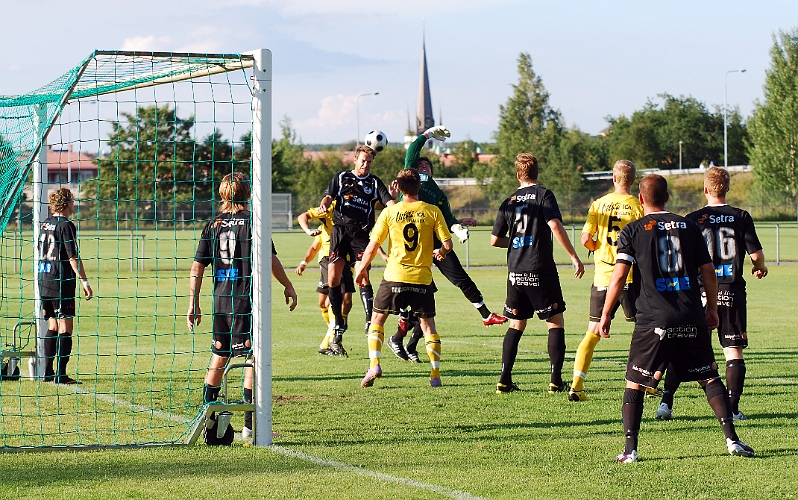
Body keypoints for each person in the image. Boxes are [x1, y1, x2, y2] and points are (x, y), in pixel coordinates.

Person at [599, 174, 753, 463]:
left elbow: (619, 275)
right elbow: (708, 271)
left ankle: (630, 450)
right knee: (709, 377)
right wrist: (711, 309)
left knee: (635, 383)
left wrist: (606, 313)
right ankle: (732, 439)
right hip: (690, 313)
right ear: (668, 197)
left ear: (641, 199)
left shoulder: (633, 230)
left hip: (653, 318)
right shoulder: (689, 226)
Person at [187, 172, 298, 440]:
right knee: (252, 359)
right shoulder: (253, 222)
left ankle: (209, 421)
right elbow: (270, 259)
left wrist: (193, 301)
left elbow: (198, 265)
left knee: (219, 356)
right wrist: (288, 284)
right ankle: (252, 425)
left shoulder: (212, 224)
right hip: (246, 301)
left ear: (223, 193)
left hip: (221, 301)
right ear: (248, 193)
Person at [385, 126, 507, 363]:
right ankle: (401, 337)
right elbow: (413, 148)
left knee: (459, 278)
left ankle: (484, 314)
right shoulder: (411, 181)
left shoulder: (437, 192)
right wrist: (428, 135)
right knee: (420, 301)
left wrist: (459, 227)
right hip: (415, 248)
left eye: (428, 166)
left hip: (437, 244)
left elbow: (447, 220)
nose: (424, 168)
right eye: (420, 166)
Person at [655, 166, 768, 421]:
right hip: (730, 288)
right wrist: (760, 268)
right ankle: (733, 408)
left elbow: (680, 259)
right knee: (733, 349)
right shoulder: (741, 216)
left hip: (698, 291)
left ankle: (666, 403)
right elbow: (757, 256)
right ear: (727, 188)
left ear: (705, 188)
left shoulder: (692, 219)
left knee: (685, 347)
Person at [490, 153, 584, 395]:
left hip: (516, 271)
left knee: (516, 323)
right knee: (555, 322)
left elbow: (494, 240)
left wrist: (518, 241)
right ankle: (555, 381)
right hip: (539, 267)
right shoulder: (544, 195)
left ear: (518, 174)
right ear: (536, 173)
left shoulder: (508, 201)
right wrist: (574, 256)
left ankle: (504, 380)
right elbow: (554, 225)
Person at [355, 168, 453, 388]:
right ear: (419, 187)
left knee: (377, 320)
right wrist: (442, 252)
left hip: (395, 276)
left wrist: (362, 268)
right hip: (422, 278)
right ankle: (435, 375)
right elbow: (447, 244)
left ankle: (375, 365)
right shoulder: (432, 211)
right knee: (428, 327)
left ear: (397, 187)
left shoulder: (390, 213)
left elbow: (373, 246)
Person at [569, 160, 643, 401]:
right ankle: (648, 384)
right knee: (646, 329)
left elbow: (585, 240)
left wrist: (598, 248)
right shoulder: (637, 206)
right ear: (632, 180)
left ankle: (577, 386)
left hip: (603, 276)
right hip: (630, 276)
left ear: (614, 178)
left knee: (592, 331)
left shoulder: (599, 204)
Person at [318, 145, 395, 356]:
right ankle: (339, 321)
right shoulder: (341, 177)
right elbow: (328, 196)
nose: (365, 164)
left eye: (369, 161)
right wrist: (325, 203)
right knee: (333, 279)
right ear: (355, 159)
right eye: (362, 160)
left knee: (362, 276)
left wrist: (397, 204)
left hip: (362, 235)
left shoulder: (375, 182)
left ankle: (370, 318)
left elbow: (388, 202)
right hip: (340, 232)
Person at [37, 187, 93, 384]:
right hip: (61, 281)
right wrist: (84, 281)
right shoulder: (66, 225)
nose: (74, 204)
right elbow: (72, 257)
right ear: (67, 203)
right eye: (73, 201)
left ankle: (47, 372)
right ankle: (60, 375)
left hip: (43, 280)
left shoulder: (45, 224)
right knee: (66, 327)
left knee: (52, 324)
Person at [296, 204, 354, 356]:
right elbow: (314, 247)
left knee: (339, 300)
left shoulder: (350, 218)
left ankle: (334, 334)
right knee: (323, 303)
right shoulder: (324, 227)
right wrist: (303, 263)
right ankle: (334, 329)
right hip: (326, 261)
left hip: (342, 260)